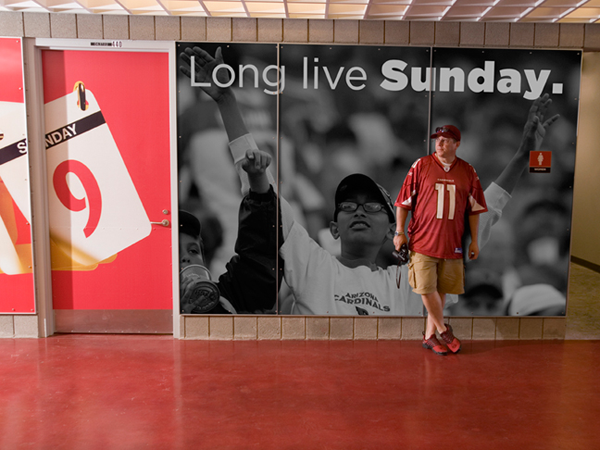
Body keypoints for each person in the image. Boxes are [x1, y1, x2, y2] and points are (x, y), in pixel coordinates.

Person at [179, 46, 558, 319]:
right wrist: (227, 102)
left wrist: (523, 158)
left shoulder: (414, 284)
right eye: (348, 206)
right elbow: (264, 196)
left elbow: (479, 220)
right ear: (333, 228)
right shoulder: (312, 265)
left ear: (392, 230)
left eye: (372, 205)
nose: (359, 210)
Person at [393, 125, 488, 355]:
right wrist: (400, 232)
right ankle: (444, 330)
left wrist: (474, 240)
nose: (440, 143)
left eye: (446, 140)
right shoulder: (421, 165)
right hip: (423, 240)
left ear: (457, 144)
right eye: (438, 139)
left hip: (452, 242)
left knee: (442, 289)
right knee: (425, 288)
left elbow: (474, 210)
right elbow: (403, 202)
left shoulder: (467, 170)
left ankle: (429, 336)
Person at [178, 147, 281, 315]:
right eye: (174, 253)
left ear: (206, 260)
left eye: (193, 250)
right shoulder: (149, 314)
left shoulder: (227, 298)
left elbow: (259, 259)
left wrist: (257, 180)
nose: (185, 258)